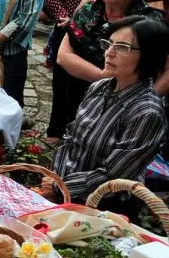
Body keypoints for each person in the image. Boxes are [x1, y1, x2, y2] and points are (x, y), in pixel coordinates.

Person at [53, 16, 169, 203]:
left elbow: (112, 175)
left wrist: (60, 187)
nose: (109, 52)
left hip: (105, 207)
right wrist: (55, 178)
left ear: (149, 55)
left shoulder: (147, 113)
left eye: (122, 47)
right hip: (64, 192)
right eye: (109, 44)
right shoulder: (99, 87)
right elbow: (70, 138)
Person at [48, 0, 160, 139]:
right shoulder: (88, 12)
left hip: (127, 107)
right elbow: (63, 55)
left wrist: (144, 99)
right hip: (79, 97)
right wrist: (104, 78)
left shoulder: (150, 22)